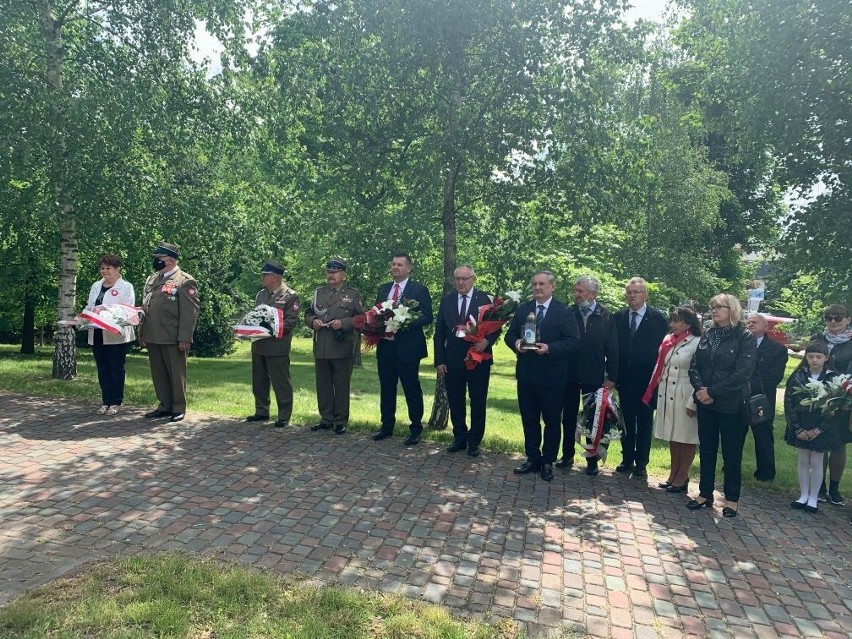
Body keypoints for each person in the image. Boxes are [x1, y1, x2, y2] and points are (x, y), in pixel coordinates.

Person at [504, 271, 581, 481]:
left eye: (542, 284)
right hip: (527, 375)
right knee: (529, 419)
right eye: (534, 284)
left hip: (553, 377)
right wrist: (517, 344)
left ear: (552, 287)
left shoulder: (563, 311)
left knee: (552, 421)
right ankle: (532, 458)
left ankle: (548, 461)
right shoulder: (523, 309)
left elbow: (574, 341)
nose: (537, 288)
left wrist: (550, 348)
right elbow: (509, 336)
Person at [687, 293, 756, 518]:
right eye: (712, 307)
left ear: (732, 309)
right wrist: (700, 390)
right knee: (707, 449)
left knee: (731, 453)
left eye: (719, 307)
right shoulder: (709, 334)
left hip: (732, 404)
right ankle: (705, 493)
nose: (714, 311)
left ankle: (732, 499)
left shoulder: (744, 336)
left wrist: (712, 391)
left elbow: (742, 373)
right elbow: (695, 366)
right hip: (706, 403)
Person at [434, 265, 500, 458]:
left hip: (479, 359)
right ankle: (460, 437)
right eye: (458, 279)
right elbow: (439, 333)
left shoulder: (485, 300)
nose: (461, 282)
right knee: (456, 400)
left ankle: (474, 441)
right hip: (453, 361)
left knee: (478, 400)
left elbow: (496, 326)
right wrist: (440, 360)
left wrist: (487, 341)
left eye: (465, 279)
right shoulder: (447, 301)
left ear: (473, 279)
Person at [372, 253, 433, 445]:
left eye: (399, 264)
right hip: (386, 346)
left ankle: (415, 428)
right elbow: (376, 312)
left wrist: (406, 322)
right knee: (387, 388)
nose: (395, 267)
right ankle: (386, 426)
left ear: (409, 268)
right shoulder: (384, 289)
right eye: (393, 264)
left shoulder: (419, 290)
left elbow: (427, 316)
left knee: (411, 388)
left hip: (408, 348)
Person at [560, 276, 618, 476]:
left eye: (581, 291)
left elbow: (612, 349)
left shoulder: (606, 316)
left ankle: (592, 459)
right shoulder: (569, 312)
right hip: (569, 374)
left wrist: (612, 377)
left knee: (592, 419)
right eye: (575, 290)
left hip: (593, 375)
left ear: (593, 294)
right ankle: (566, 455)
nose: (576, 294)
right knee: (567, 416)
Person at [139, 242, 200, 422]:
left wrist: (185, 337)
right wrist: (142, 332)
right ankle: (164, 405)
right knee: (158, 373)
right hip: (152, 333)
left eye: (160, 258)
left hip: (172, 335)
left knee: (176, 372)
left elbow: (190, 313)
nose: (156, 261)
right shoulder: (152, 279)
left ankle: (178, 407)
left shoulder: (185, 281)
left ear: (171, 260)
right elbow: (146, 306)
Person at [643, 307, 702, 493]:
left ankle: (683, 476)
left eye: (676, 321)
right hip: (668, 394)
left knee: (686, 438)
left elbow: (699, 374)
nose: (672, 325)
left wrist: (693, 402)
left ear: (688, 323)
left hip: (686, 394)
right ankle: (673, 473)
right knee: (674, 436)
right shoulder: (669, 340)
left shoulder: (697, 342)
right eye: (672, 321)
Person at [613, 277, 668, 478]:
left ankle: (641, 463)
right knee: (626, 421)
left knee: (644, 422)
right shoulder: (618, 317)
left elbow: (663, 352)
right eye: (629, 292)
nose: (632, 296)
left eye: (636, 292)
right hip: (624, 380)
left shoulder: (658, 318)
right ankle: (626, 458)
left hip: (648, 382)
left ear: (645, 294)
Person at [305, 258, 363, 434]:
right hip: (321, 346)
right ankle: (326, 418)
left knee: (341, 385)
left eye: (335, 272)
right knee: (323, 385)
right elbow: (308, 313)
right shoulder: (318, 293)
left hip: (341, 346)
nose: (331, 275)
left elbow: (361, 319)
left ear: (343, 275)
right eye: (329, 272)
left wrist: (344, 323)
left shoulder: (352, 295)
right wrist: (312, 321)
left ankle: (340, 420)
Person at [784, 341, 842, 513]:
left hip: (821, 426)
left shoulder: (832, 377)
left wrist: (819, 429)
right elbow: (789, 402)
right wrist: (798, 428)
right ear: (806, 357)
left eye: (818, 357)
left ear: (826, 358)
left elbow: (835, 407)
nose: (814, 360)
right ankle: (803, 495)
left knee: (817, 461)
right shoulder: (798, 375)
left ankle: (814, 497)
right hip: (801, 424)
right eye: (810, 357)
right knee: (803, 460)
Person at [245, 260, 300, 428]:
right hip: (259, 344)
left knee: (280, 381)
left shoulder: (290, 296)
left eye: (265, 275)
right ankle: (261, 411)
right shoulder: (261, 295)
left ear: (275, 277)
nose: (262, 278)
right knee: (259, 380)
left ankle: (284, 415)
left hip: (277, 345)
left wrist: (268, 327)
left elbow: (291, 322)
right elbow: (254, 316)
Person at [810, 304, 852, 506]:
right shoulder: (819, 339)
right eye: (829, 318)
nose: (833, 321)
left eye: (838, 317)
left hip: (843, 401)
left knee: (838, 444)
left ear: (848, 319)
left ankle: (834, 487)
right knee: (820, 443)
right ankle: (820, 486)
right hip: (818, 398)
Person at [85, 253, 136, 415]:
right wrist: (84, 317)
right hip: (97, 332)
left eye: (108, 268)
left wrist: (107, 316)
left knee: (115, 368)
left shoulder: (126, 287)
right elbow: (89, 306)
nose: (105, 271)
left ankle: (116, 401)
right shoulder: (96, 286)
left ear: (117, 269)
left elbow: (128, 310)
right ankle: (105, 401)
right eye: (102, 268)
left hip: (115, 334)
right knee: (102, 369)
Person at [745, 313, 788, 481]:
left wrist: (748, 385)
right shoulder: (739, 346)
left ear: (765, 327)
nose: (750, 325)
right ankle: (730, 467)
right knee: (734, 435)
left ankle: (766, 473)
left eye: (754, 322)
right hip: (737, 398)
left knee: (763, 436)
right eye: (747, 323)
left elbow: (774, 377)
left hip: (761, 398)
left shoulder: (777, 349)